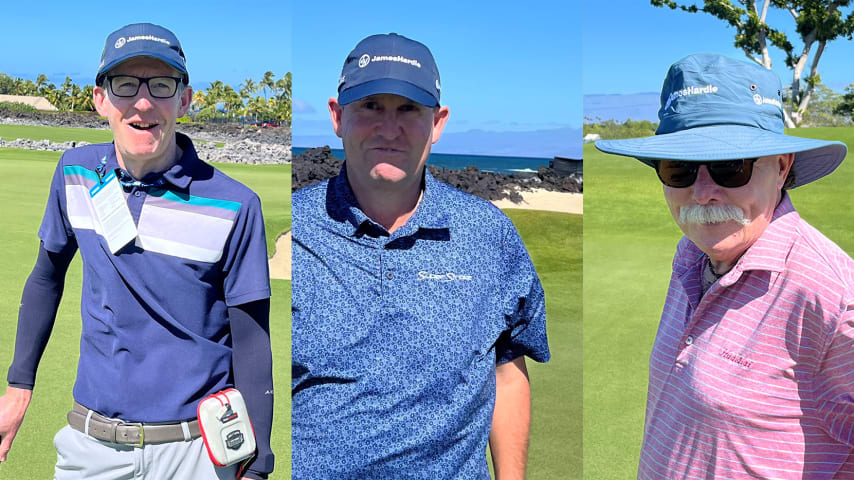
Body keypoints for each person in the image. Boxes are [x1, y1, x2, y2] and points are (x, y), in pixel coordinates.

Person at [0, 23, 274, 479]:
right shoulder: (76, 173)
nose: (143, 102)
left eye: (161, 85)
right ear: (101, 98)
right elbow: (46, 277)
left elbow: (250, 338)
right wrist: (18, 386)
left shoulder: (236, 204)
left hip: (196, 454)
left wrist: (258, 463)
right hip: (91, 447)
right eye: (125, 84)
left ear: (184, 100)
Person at [291, 33, 550, 479]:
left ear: (438, 122)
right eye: (370, 106)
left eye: (409, 109)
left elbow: (506, 374)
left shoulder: (488, 234)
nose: (389, 128)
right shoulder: (298, 228)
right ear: (337, 116)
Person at [596, 54, 854, 479]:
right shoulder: (692, 255)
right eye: (678, 169)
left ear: (782, 166)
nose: (703, 192)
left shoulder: (833, 296)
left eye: (730, 167)